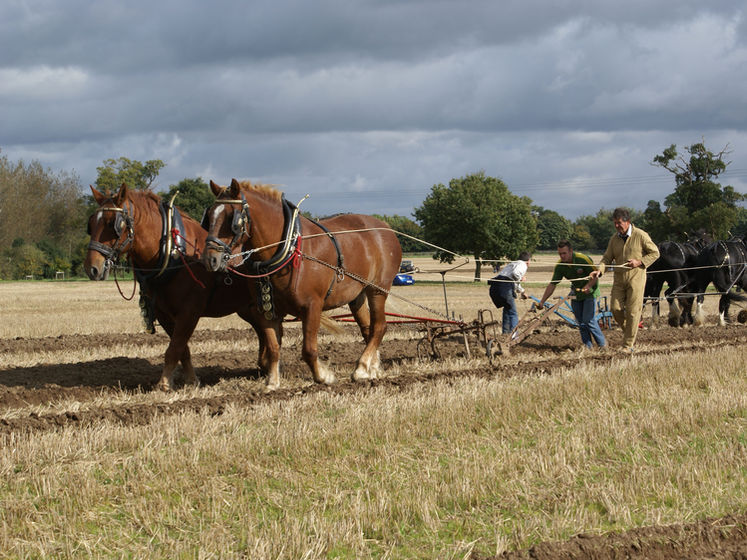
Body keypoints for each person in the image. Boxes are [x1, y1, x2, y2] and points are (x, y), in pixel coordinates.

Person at [589, 207, 659, 353]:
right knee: (615, 309)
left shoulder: (640, 235)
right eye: (614, 223)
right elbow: (607, 258)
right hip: (619, 279)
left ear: (627, 222)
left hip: (636, 278)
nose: (616, 226)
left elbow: (655, 253)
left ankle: (628, 345)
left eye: (619, 223)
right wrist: (599, 270)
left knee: (633, 312)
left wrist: (639, 262)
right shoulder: (614, 239)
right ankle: (630, 329)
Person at [538, 240, 606, 349]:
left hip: (590, 293)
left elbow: (595, 276)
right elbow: (552, 284)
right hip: (576, 293)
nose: (562, 256)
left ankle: (603, 346)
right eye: (560, 254)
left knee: (589, 321)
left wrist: (588, 286)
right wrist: (542, 301)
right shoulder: (560, 266)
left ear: (571, 251)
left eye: (564, 253)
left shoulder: (582, 259)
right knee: (581, 322)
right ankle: (588, 347)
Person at [489, 252, 531, 334]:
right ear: (528, 261)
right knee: (513, 313)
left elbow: (512, 281)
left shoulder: (513, 264)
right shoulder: (522, 264)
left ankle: (505, 334)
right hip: (505, 287)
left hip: (495, 287)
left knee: (507, 309)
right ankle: (514, 336)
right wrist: (521, 278)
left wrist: (522, 291)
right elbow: (516, 274)